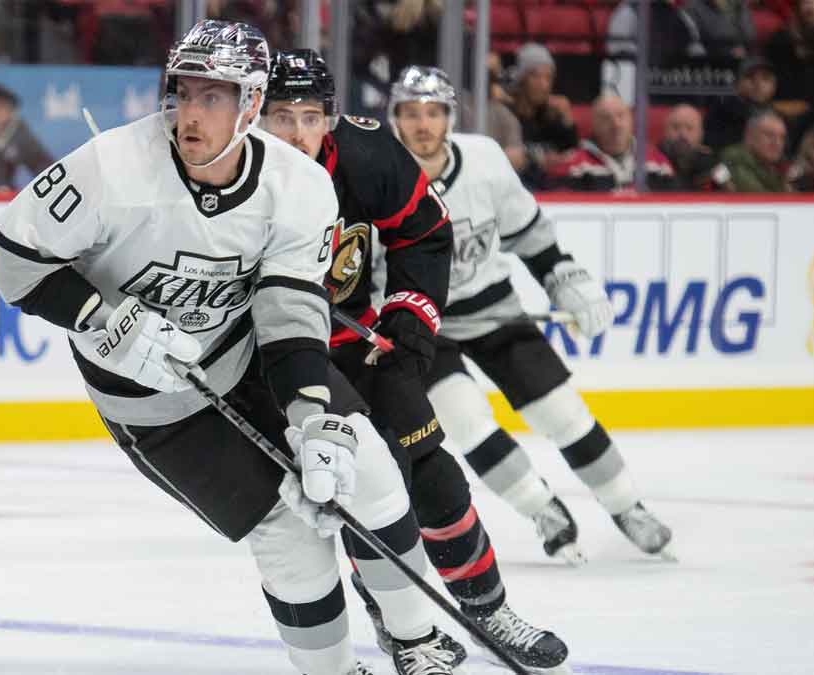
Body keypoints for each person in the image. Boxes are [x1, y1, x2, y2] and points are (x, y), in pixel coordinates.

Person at [0, 21, 453, 675]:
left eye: (214, 97)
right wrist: (104, 318)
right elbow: (15, 259)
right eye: (183, 92)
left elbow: (289, 311)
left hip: (247, 356)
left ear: (253, 106)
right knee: (289, 537)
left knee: (366, 467)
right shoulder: (112, 167)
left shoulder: (299, 186)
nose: (190, 114)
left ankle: (418, 639)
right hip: (153, 406)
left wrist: (311, 417)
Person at [262, 50, 572, 675]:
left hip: (359, 344)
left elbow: (426, 231)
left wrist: (409, 317)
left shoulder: (366, 154)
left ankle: (487, 608)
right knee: (352, 488)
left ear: (333, 116)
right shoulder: (229, 171)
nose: (297, 133)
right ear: (254, 116)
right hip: (279, 362)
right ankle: (400, 624)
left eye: (311, 116)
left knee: (431, 471)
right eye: (280, 116)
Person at [386, 65, 676, 566]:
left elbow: (530, 235)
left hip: (494, 308)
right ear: (394, 119)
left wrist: (564, 278)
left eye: (433, 112)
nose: (422, 125)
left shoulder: (484, 161)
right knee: (467, 422)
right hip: (422, 327)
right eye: (411, 113)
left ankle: (628, 506)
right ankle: (541, 509)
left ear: (450, 118)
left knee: (562, 412)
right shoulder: (377, 175)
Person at [549, 94, 677, 192]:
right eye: (606, 118)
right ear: (594, 125)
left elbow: (673, 207)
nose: (616, 124)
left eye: (621, 116)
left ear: (631, 120)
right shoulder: (573, 165)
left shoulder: (658, 162)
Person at [505, 43, 579, 190]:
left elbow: (572, 152)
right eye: (535, 76)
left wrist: (567, 120)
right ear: (521, 79)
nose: (543, 85)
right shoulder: (506, 115)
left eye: (548, 77)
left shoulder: (552, 116)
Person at [703, 57, 778, 155]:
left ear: (774, 86)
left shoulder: (778, 118)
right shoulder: (721, 112)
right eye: (750, 77)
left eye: (765, 78)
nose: (758, 84)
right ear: (737, 83)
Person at [659, 104, 729, 191]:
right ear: (665, 131)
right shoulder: (653, 162)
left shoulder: (712, 163)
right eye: (676, 127)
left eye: (689, 128)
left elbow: (731, 194)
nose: (682, 134)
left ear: (700, 134)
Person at [720, 109, 791, 192]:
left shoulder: (777, 164)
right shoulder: (734, 158)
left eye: (782, 138)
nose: (777, 143)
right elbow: (758, 198)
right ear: (749, 135)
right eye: (769, 135)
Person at [682, 0, 757, 59]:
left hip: (738, 51)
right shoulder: (692, 5)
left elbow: (749, 34)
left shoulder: (738, 3)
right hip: (709, 55)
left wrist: (741, 47)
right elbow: (695, 38)